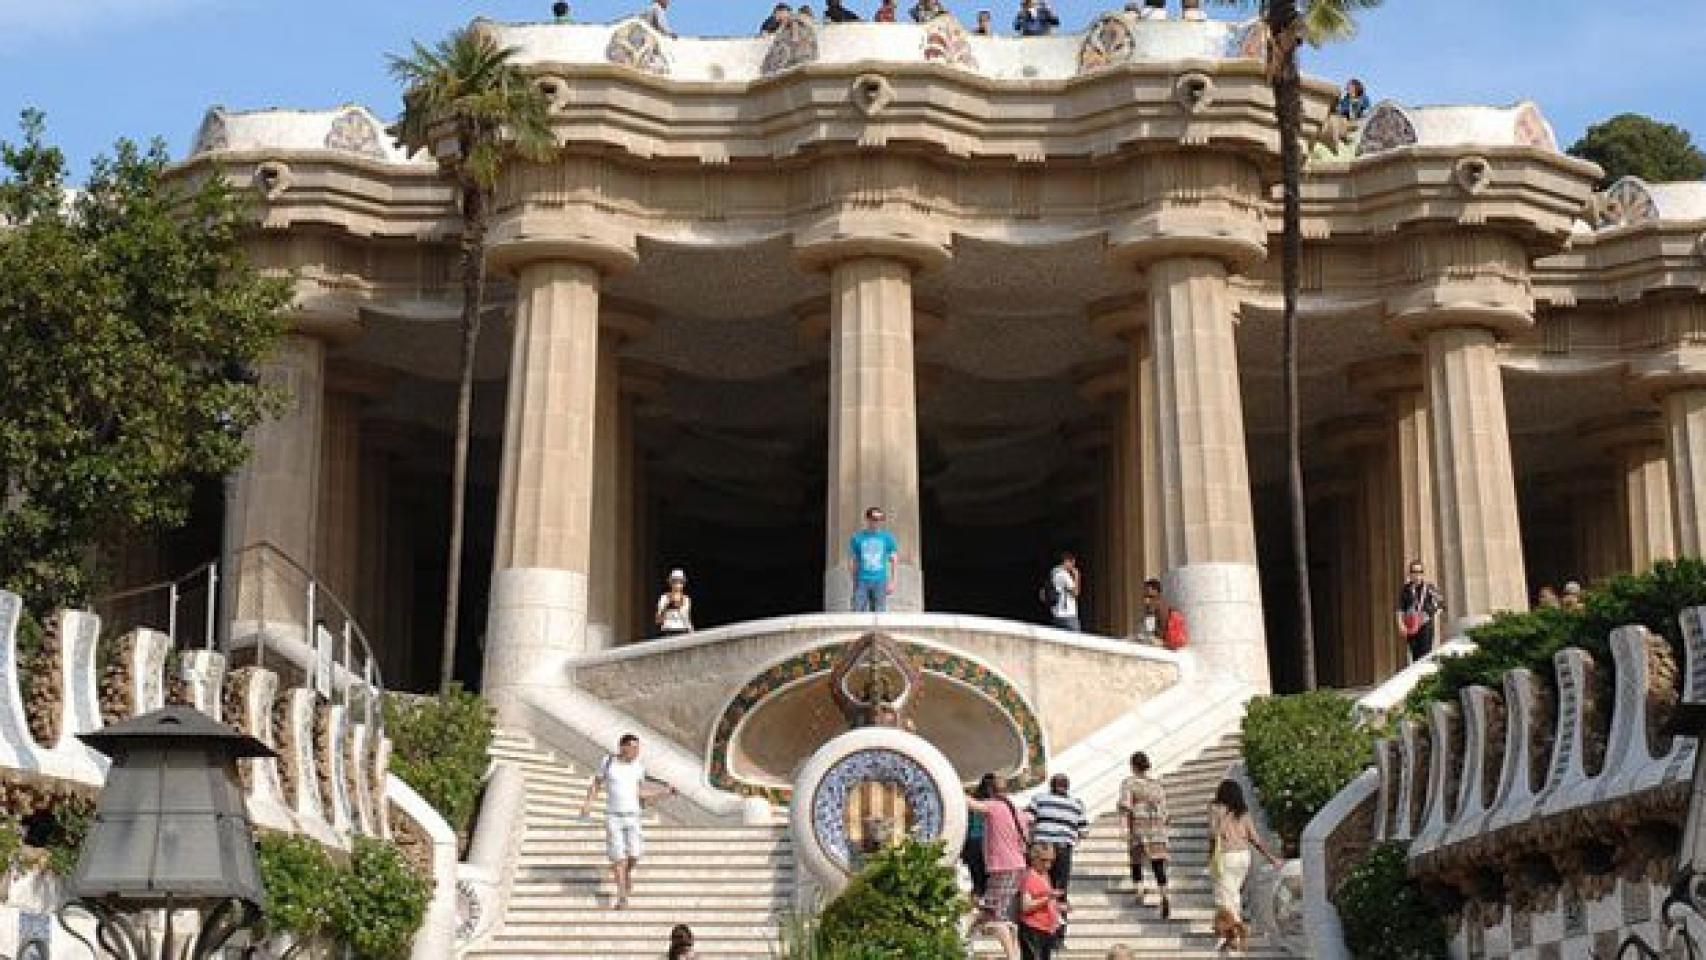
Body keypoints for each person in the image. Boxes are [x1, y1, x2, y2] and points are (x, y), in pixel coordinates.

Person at [578, 733, 677, 910]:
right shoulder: (608, 762)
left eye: (638, 748)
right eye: (633, 747)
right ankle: (622, 895)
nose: (636, 751)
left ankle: (625, 875)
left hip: (633, 816)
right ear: (622, 747)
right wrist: (588, 803)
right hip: (613, 816)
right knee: (619, 857)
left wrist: (665, 793)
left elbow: (641, 794)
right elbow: (596, 784)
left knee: (635, 854)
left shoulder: (638, 768)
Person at [1207, 780, 1280, 953]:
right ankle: (1233, 933)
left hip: (1226, 855)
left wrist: (1210, 856)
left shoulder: (1215, 809)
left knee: (1223, 897)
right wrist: (1271, 858)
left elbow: (1212, 834)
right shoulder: (1243, 812)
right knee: (1234, 895)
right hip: (1243, 856)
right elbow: (1254, 838)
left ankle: (1233, 935)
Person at [965, 776, 1032, 960]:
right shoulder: (1017, 810)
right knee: (988, 912)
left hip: (1004, 867)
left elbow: (970, 804)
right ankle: (965, 945)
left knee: (994, 916)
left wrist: (953, 784)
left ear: (991, 791)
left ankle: (1012, 956)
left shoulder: (995, 806)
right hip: (1016, 867)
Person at [1117, 751, 1171, 919]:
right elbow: (1165, 812)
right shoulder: (1156, 784)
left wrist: (1123, 827)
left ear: (1133, 766)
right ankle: (1164, 894)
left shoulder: (1130, 783)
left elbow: (1126, 805)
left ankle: (1139, 891)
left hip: (1139, 825)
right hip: (1157, 828)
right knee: (1158, 863)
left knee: (1136, 859)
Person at [1026, 773, 1088, 899]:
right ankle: (1059, 915)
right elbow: (1083, 832)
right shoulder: (1077, 804)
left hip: (1041, 848)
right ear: (1067, 787)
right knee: (1060, 886)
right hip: (1063, 848)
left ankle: (1040, 913)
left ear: (1051, 786)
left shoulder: (1039, 799)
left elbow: (1028, 819)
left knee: (1038, 883)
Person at [847, 506, 899, 612]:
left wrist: (893, 581)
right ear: (868, 519)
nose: (877, 522)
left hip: (880, 580)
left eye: (880, 519)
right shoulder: (857, 538)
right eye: (875, 519)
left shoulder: (887, 538)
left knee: (879, 613)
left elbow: (894, 560)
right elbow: (852, 560)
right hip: (862, 580)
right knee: (858, 610)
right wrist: (854, 579)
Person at [1017, 843, 1062, 960]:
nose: (1047, 865)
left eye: (1051, 861)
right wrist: (1048, 898)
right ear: (1033, 858)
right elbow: (1025, 906)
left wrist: (1058, 907)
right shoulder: (1029, 876)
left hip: (1045, 929)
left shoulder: (1044, 875)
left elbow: (1044, 898)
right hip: (1033, 929)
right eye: (1043, 860)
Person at [1395, 560, 1444, 663]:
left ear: (1423, 573)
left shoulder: (1430, 587)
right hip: (1411, 626)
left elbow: (1441, 604)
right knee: (1415, 655)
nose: (1416, 574)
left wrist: (1428, 614)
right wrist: (1401, 625)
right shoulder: (1406, 589)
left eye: (1419, 571)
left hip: (1425, 626)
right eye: (1414, 571)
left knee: (1425, 654)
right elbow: (1400, 609)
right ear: (1410, 574)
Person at [962, 773, 997, 897]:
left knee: (977, 882)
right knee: (989, 881)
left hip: (972, 842)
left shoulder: (973, 801)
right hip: (986, 843)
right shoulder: (995, 803)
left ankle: (977, 910)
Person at [1140, 578, 1188, 649]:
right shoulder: (1152, 616)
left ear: (1158, 595)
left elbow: (1149, 631)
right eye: (1145, 597)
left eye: (1150, 597)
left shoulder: (1173, 616)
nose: (1147, 601)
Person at [1043, 551, 1081, 632]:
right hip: (1068, 615)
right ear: (1066, 561)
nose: (1073, 566)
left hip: (1056, 614)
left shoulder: (1053, 572)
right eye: (1072, 563)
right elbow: (1075, 592)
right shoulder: (1063, 575)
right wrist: (1077, 576)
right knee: (1075, 641)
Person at [655, 569, 694, 637]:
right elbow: (658, 619)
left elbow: (686, 618)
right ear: (671, 583)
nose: (678, 585)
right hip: (668, 630)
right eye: (675, 582)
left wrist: (691, 630)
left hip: (682, 630)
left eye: (680, 582)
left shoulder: (686, 600)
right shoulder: (664, 598)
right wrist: (667, 605)